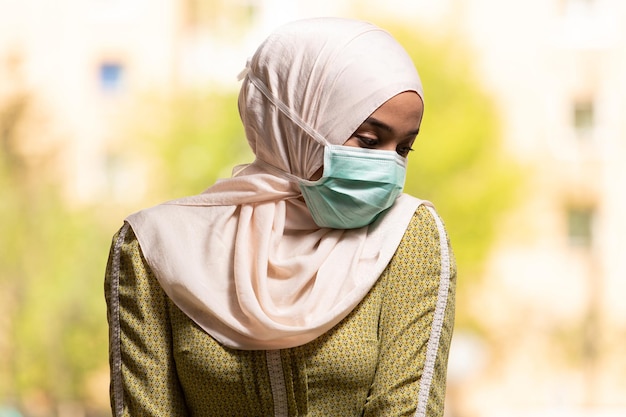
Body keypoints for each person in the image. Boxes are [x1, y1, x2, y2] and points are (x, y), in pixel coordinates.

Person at [105, 17, 456, 417]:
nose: (388, 167)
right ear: (295, 122)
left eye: (403, 149)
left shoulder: (405, 237)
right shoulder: (154, 249)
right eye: (370, 141)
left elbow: (407, 407)